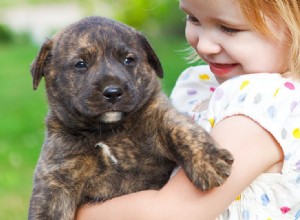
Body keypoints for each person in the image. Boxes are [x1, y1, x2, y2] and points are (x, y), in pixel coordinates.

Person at [76, 0, 300, 219]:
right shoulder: (201, 84)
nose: (204, 45)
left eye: (229, 28)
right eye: (193, 18)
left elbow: (174, 212)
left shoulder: (263, 105)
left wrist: (72, 212)